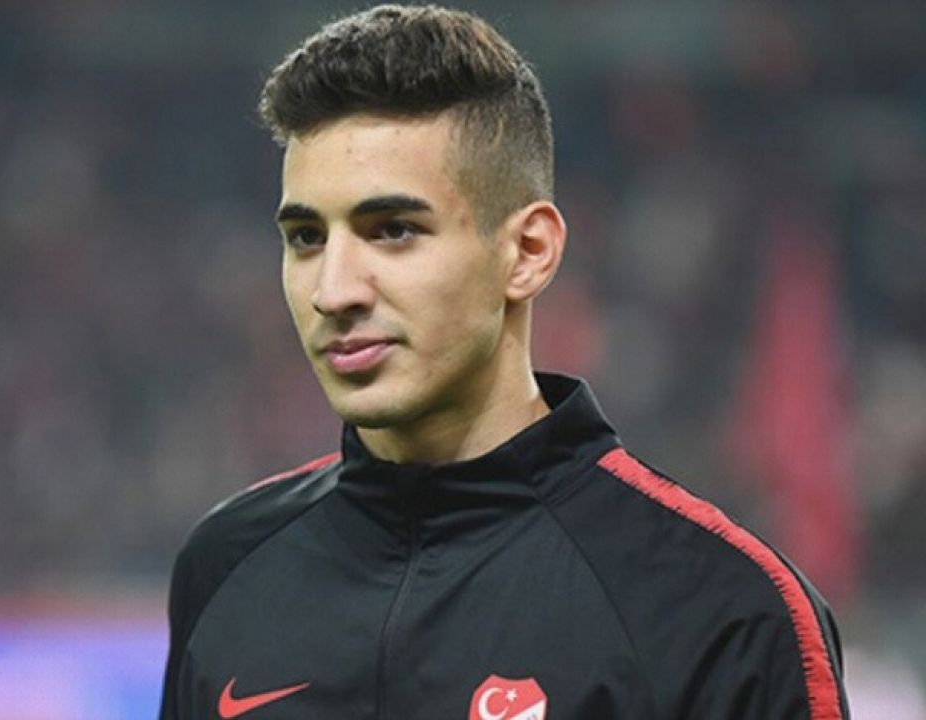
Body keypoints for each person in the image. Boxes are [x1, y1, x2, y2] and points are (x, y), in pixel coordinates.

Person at [160, 5, 849, 719]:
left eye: (393, 230)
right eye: (307, 237)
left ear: (528, 253)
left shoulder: (720, 612)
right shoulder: (226, 565)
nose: (333, 291)